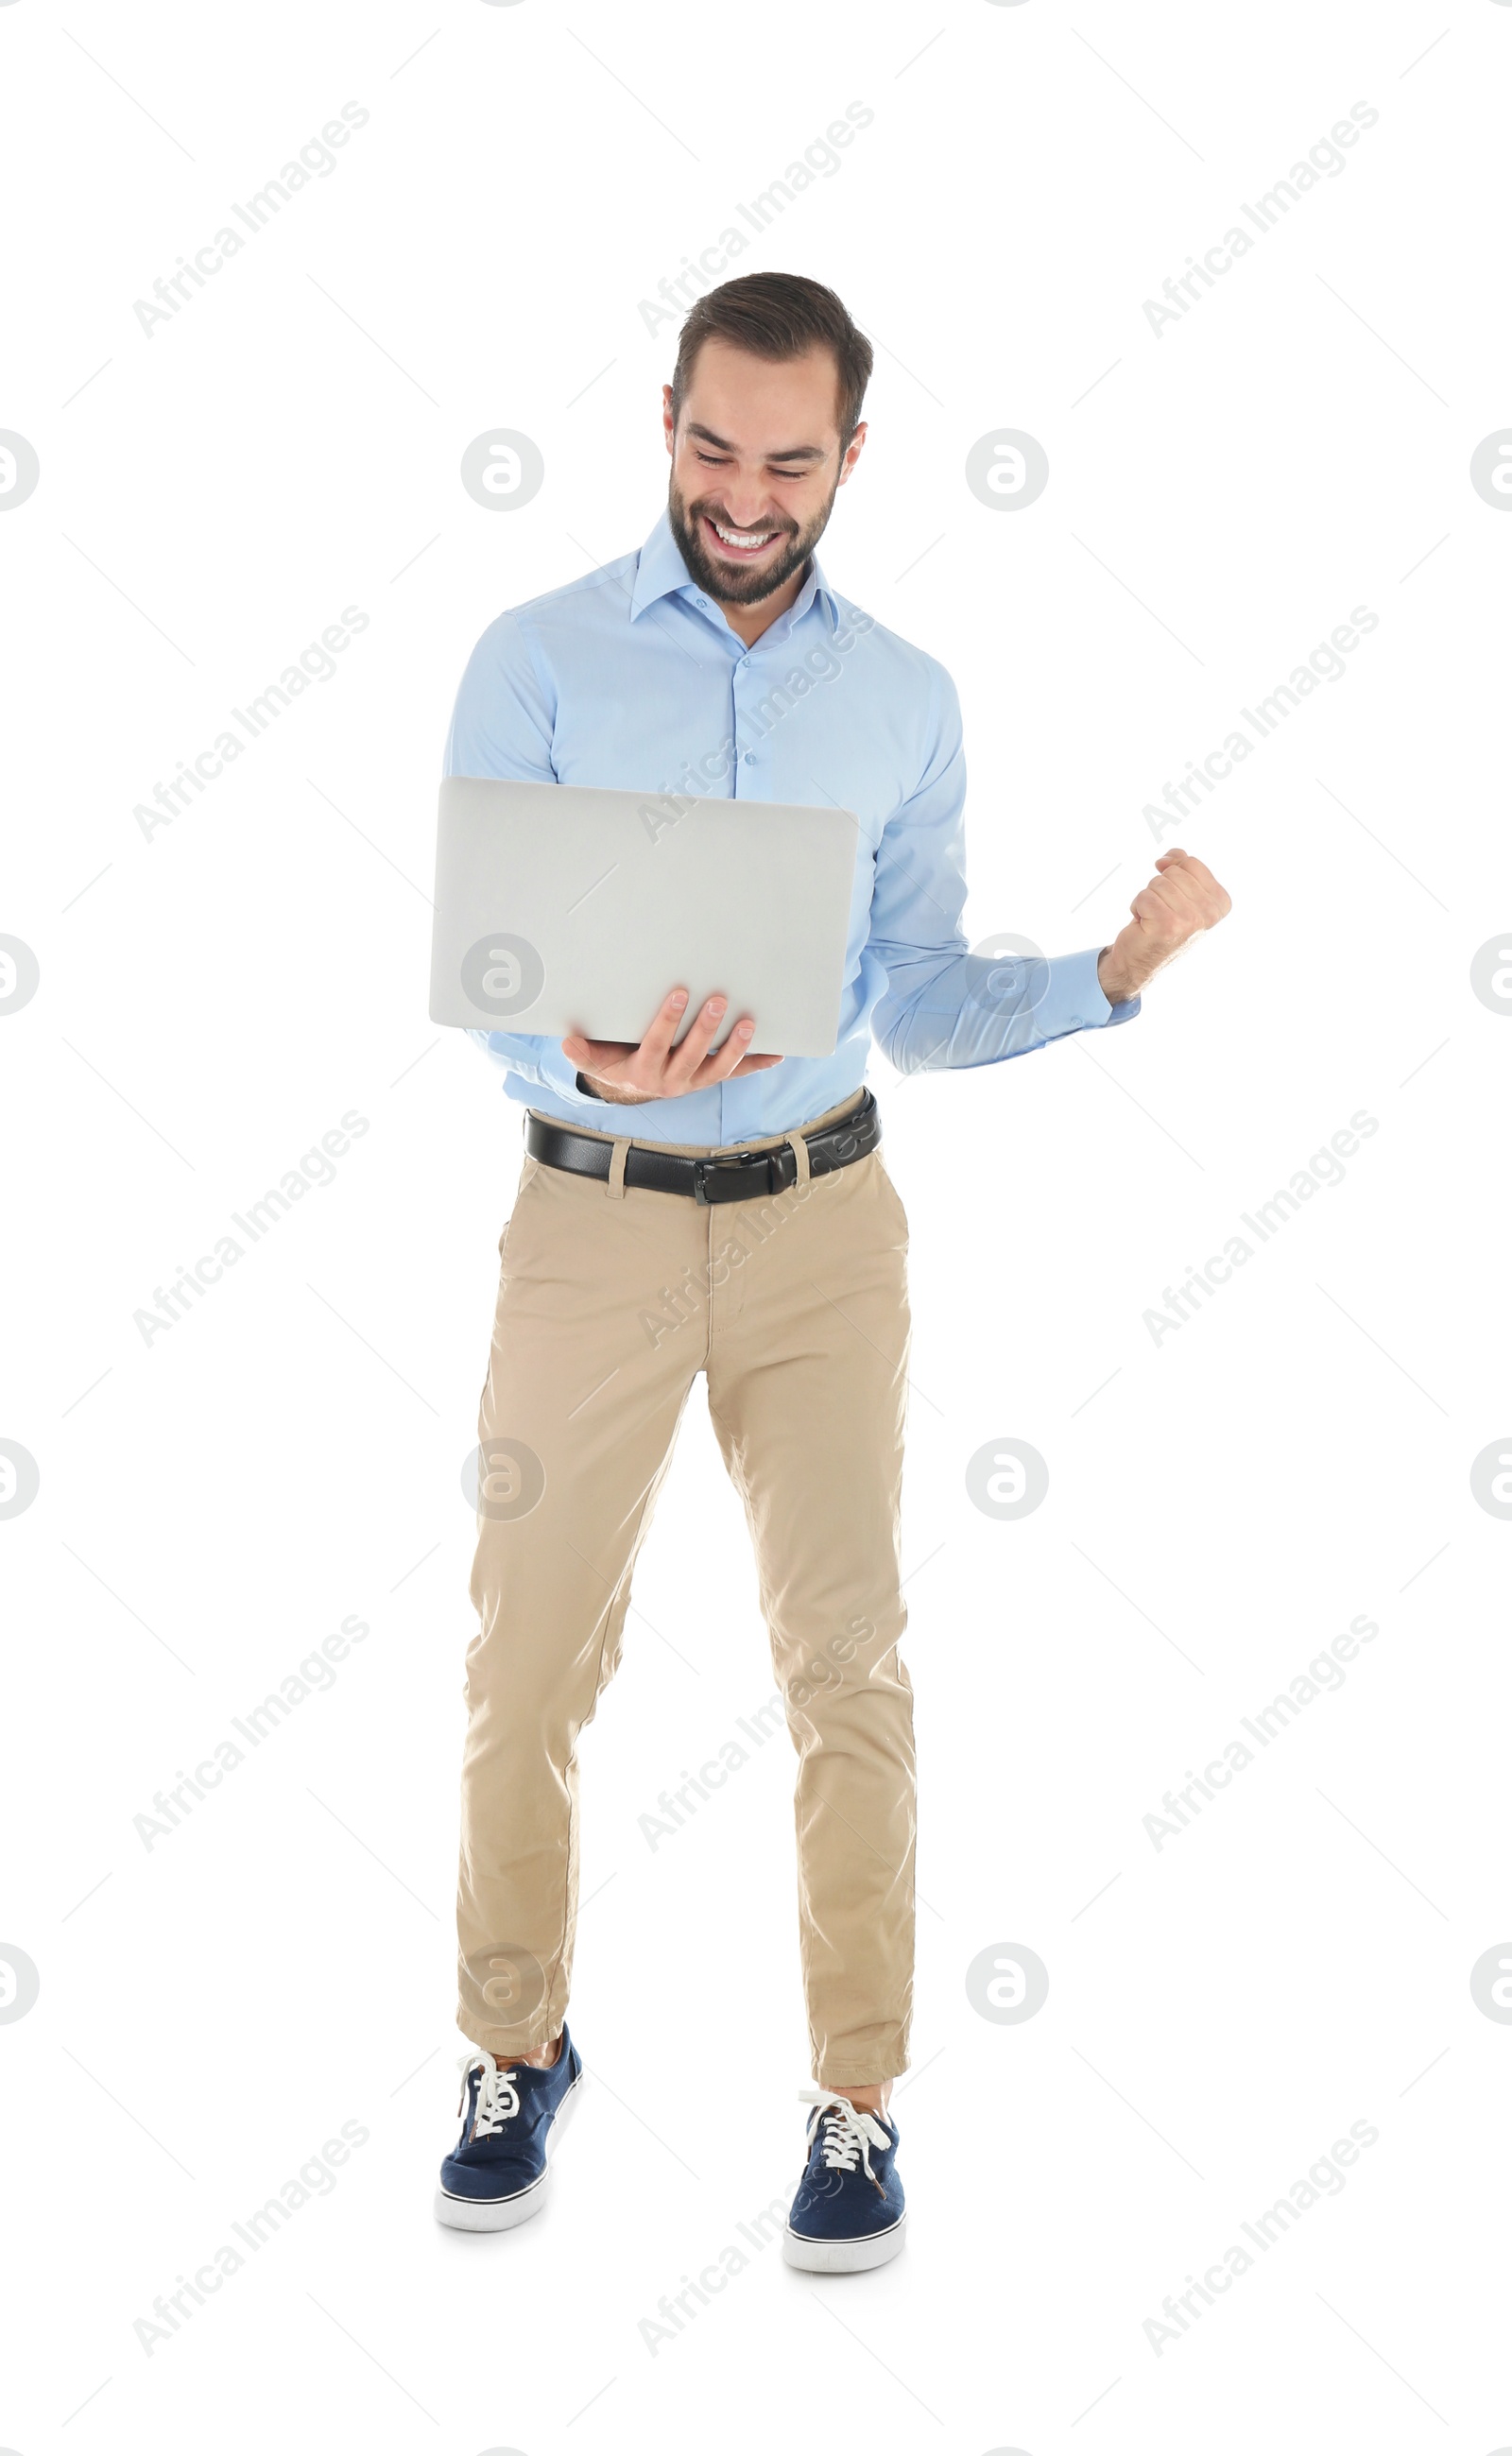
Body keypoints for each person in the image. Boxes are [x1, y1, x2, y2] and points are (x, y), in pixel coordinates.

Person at [434, 271, 1229, 2268]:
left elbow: (923, 997)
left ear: (849, 458)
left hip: (818, 1231)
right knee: (524, 1659)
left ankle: (853, 2100)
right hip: (585, 1220)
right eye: (712, 445)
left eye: (789, 459)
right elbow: (489, 971)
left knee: (843, 1665)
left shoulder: (905, 698)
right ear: (668, 422)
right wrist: (578, 1058)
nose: (743, 491)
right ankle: (509, 2046)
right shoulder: (531, 657)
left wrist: (1109, 976)